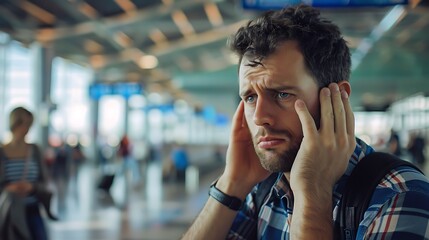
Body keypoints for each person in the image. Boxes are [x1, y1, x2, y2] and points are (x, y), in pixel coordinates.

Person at [182, 5, 429, 240]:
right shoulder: (266, 189)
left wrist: (313, 193)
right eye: (250, 97)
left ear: (337, 98)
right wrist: (231, 184)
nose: (259, 117)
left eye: (282, 94)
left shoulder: (400, 195)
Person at [0, 107, 51, 240]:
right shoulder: (2, 151)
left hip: (32, 207)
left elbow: (44, 180)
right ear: (14, 124)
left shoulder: (35, 150)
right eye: (22, 124)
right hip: (9, 210)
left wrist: (32, 187)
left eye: (28, 124)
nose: (25, 129)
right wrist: (8, 188)